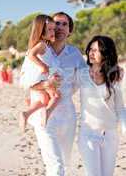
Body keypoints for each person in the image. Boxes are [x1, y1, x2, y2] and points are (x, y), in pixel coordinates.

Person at [27, 12, 86, 176]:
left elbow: (84, 81)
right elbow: (25, 82)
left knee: (65, 163)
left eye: (64, 24)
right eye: (56, 24)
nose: (59, 27)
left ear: (70, 31)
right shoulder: (39, 51)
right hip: (43, 115)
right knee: (55, 165)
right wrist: (46, 85)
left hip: (68, 116)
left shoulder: (75, 54)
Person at [76, 35, 126, 176]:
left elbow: (120, 108)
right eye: (90, 49)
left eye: (96, 50)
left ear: (106, 53)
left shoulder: (116, 75)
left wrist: (124, 127)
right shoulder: (81, 74)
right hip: (88, 134)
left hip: (110, 135)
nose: (91, 53)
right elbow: (63, 93)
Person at [19, 14, 61, 132]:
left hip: (40, 78)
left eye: (53, 29)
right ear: (41, 31)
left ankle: (26, 114)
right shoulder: (42, 44)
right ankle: (47, 112)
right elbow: (31, 55)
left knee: (43, 100)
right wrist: (42, 66)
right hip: (42, 78)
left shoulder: (45, 45)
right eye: (50, 29)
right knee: (57, 96)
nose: (53, 31)